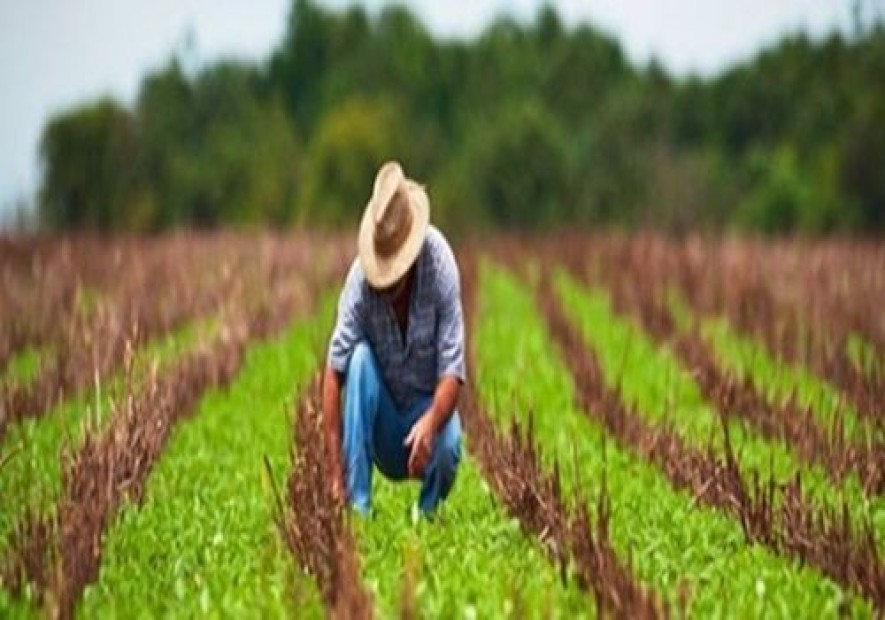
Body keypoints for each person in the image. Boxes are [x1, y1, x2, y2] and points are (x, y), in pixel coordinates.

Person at [322, 161, 465, 517]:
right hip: (384, 421)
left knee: (450, 447)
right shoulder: (359, 283)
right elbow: (332, 373)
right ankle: (359, 507)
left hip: (427, 411)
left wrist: (431, 423)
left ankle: (426, 514)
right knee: (358, 361)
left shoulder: (440, 264)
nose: (386, 289)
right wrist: (333, 472)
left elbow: (453, 370)